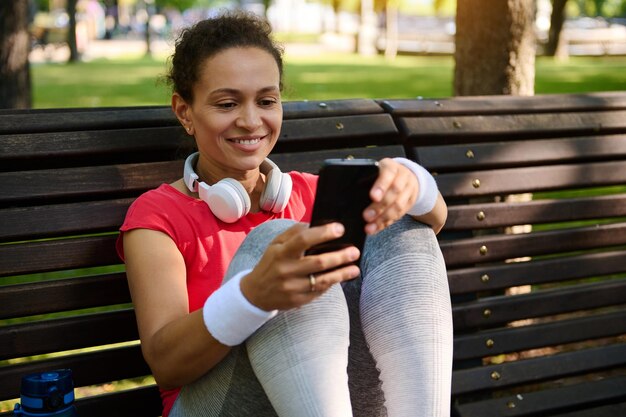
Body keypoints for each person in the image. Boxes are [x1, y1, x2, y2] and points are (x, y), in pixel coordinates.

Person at [117, 10, 453, 417]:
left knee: (402, 224)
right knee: (277, 244)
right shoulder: (159, 216)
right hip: (215, 406)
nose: (250, 120)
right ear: (185, 112)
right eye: (227, 103)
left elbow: (432, 222)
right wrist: (253, 295)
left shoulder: (313, 193)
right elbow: (166, 365)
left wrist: (413, 183)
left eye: (266, 100)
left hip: (342, 399)